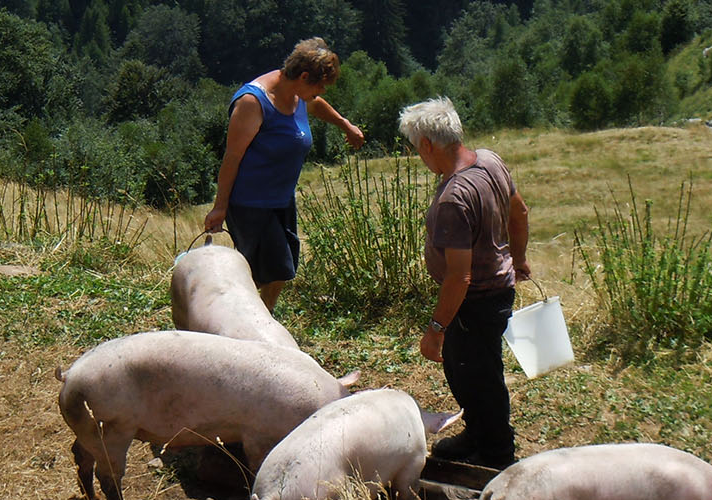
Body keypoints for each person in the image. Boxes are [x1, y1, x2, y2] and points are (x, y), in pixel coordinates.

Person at [398, 97, 530, 469]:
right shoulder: (490, 161)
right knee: (464, 369)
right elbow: (519, 212)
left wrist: (436, 329)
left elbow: (460, 276)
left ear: (427, 144)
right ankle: (477, 433)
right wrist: (519, 258)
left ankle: (496, 455)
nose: (419, 156)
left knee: (480, 378)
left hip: (474, 300)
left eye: (416, 148)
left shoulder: (454, 198)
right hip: (495, 291)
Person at [203, 37, 365, 311]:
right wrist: (220, 207)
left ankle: (258, 317)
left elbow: (315, 104)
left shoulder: (297, 94)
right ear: (304, 76)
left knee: (278, 270)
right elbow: (232, 158)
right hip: (251, 203)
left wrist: (344, 124)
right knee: (268, 271)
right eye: (320, 85)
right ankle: (232, 314)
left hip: (281, 200)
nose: (321, 92)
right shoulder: (253, 102)